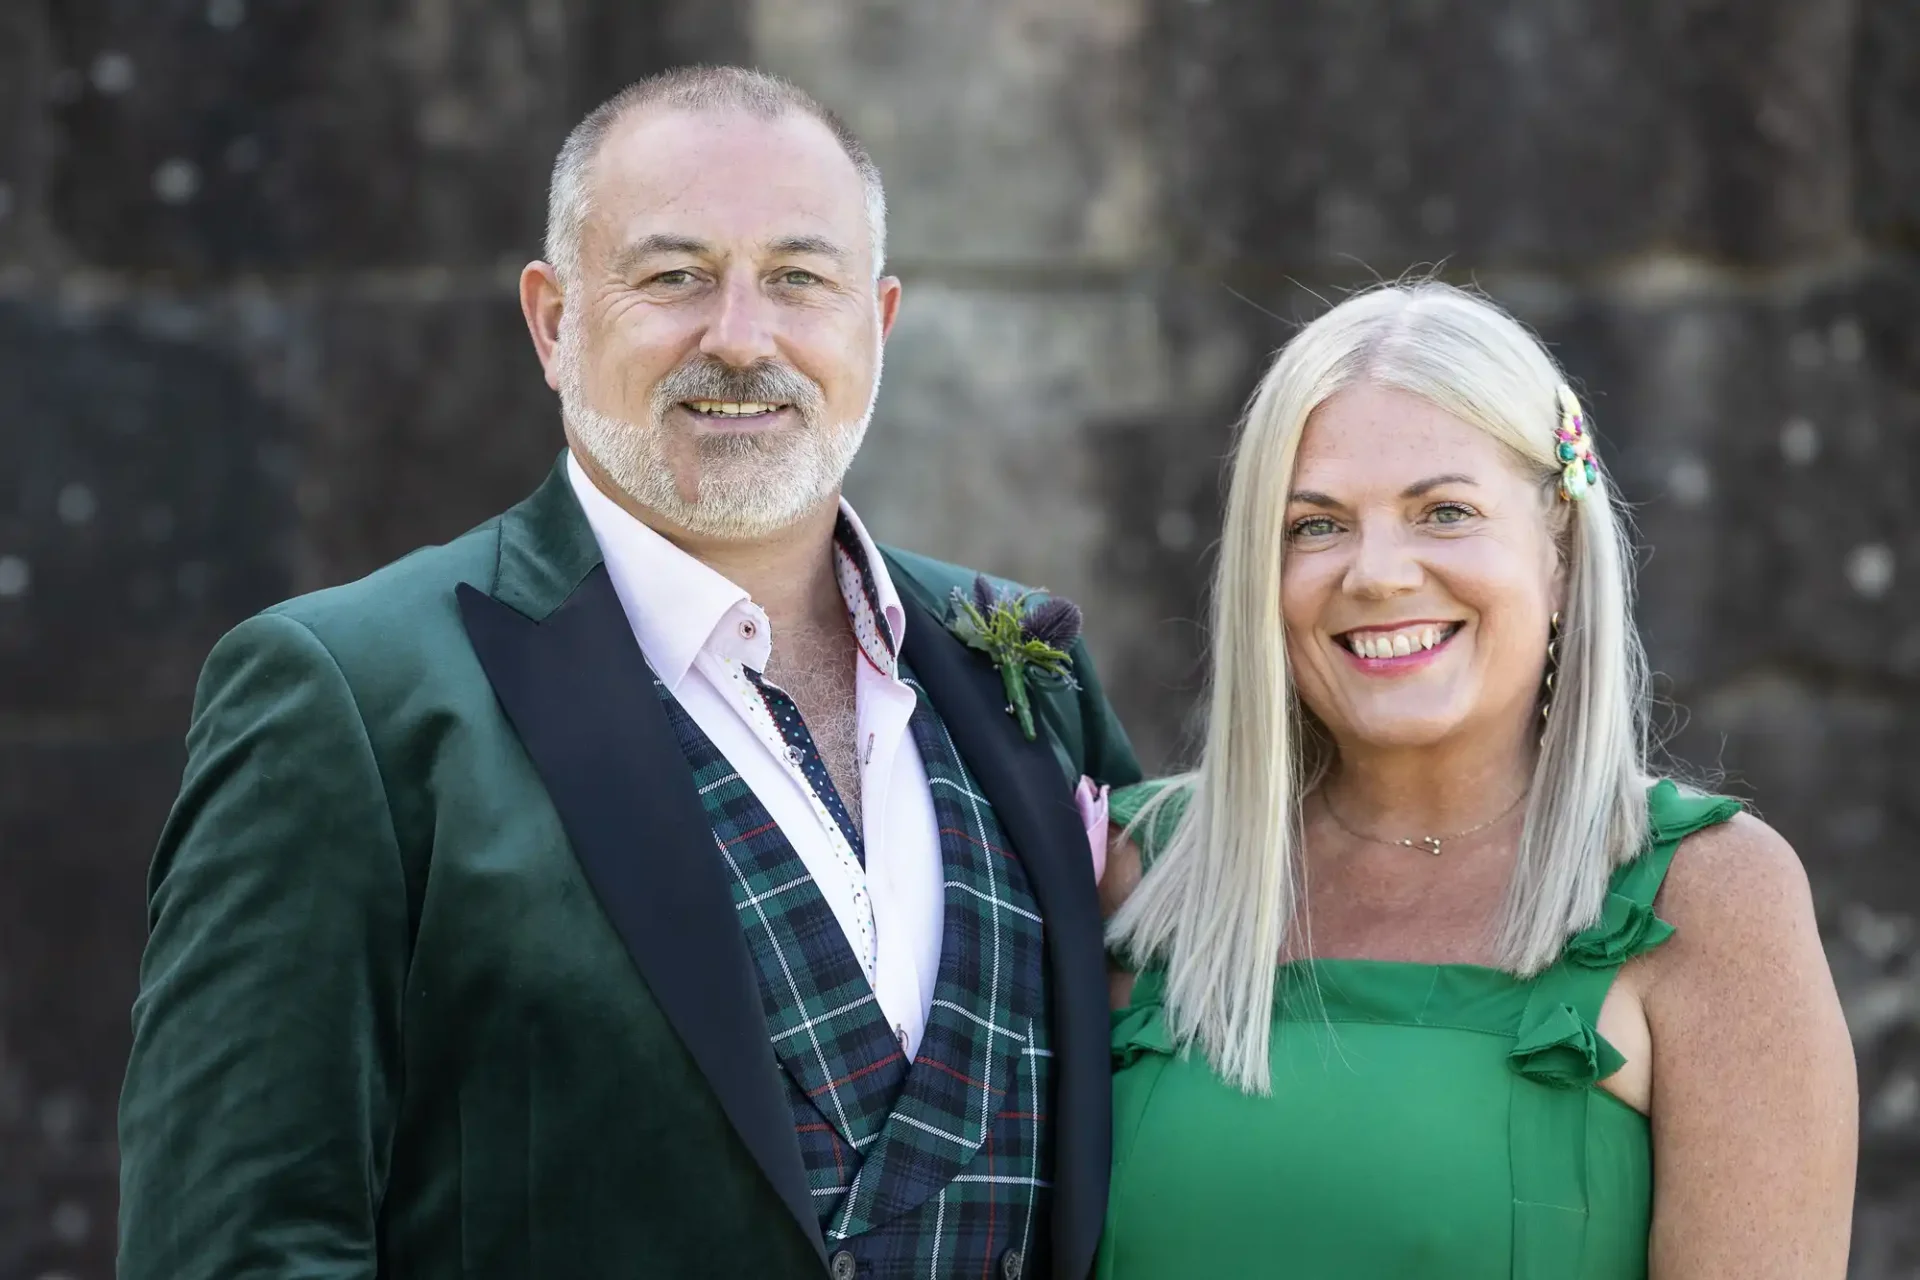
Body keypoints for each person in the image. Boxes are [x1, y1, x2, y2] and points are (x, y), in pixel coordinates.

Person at [118, 66, 1139, 1280]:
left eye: (800, 279)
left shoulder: (1022, 665)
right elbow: (234, 1247)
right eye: (674, 276)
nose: (742, 337)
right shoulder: (349, 697)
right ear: (554, 321)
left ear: (880, 320)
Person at [1095, 282, 1858, 1278]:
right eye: (1316, 525)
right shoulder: (1129, 870)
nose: (1376, 572)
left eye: (1443, 511)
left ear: (1560, 549)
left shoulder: (1711, 898)